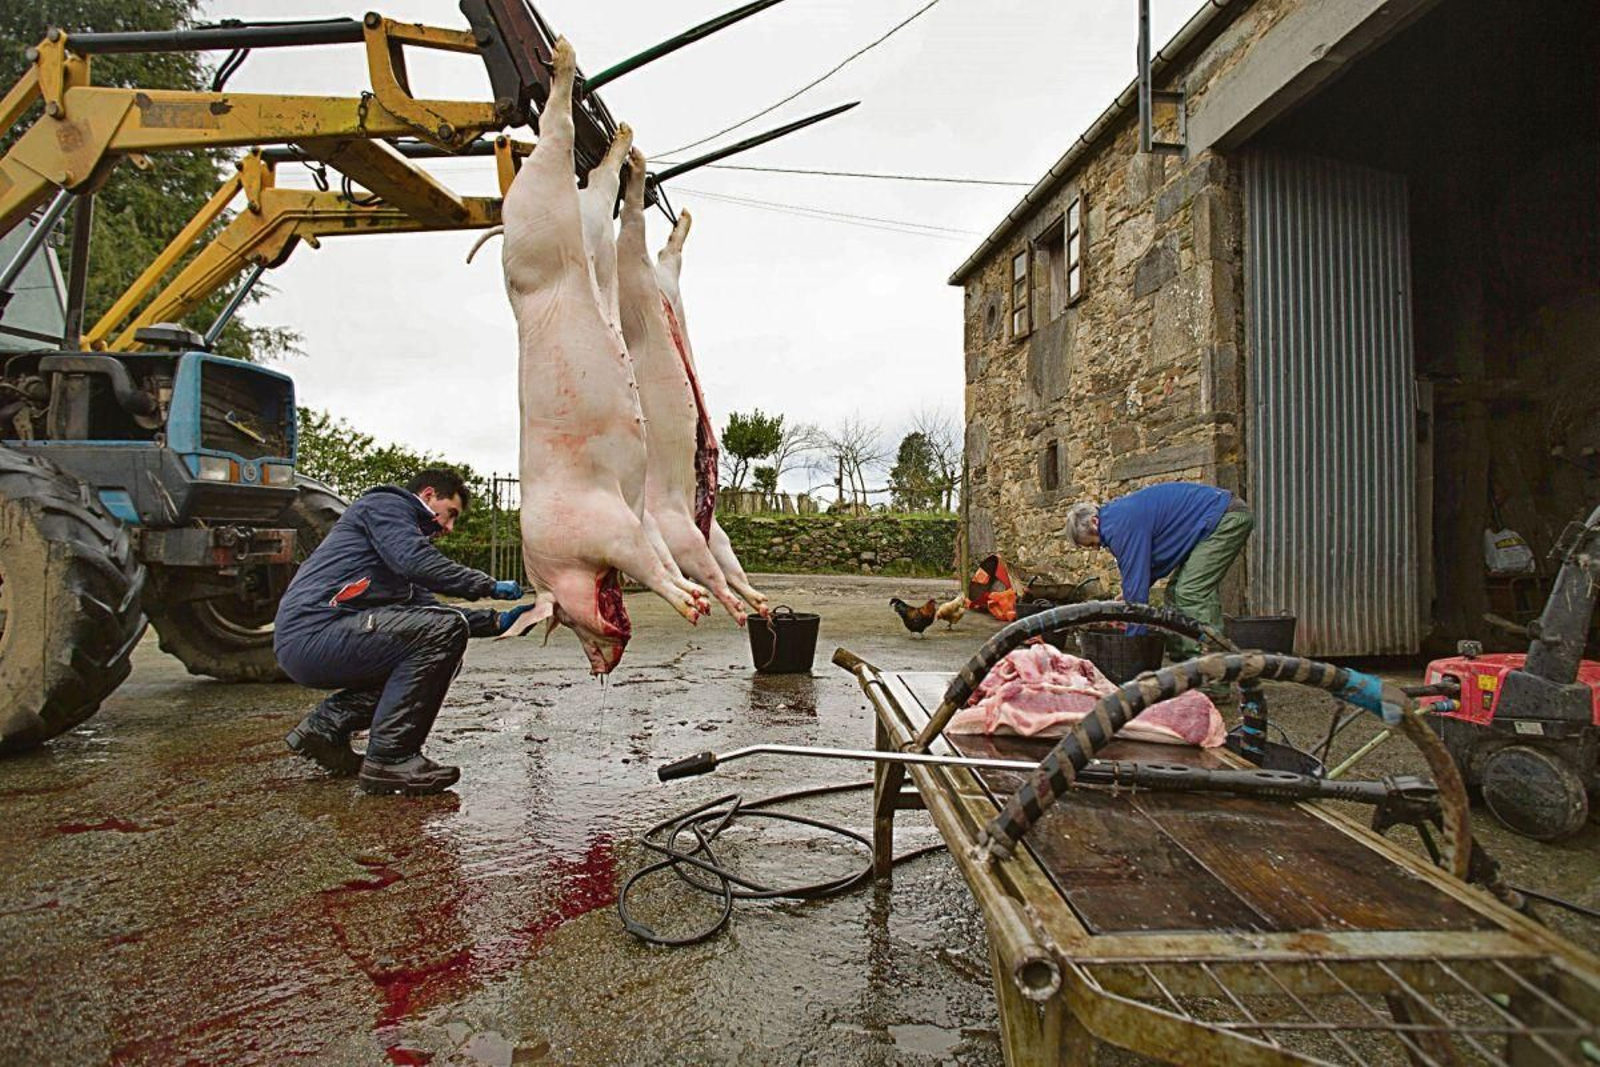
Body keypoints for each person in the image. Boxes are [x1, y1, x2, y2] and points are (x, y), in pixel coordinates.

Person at [274, 468, 533, 796]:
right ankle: (391, 759)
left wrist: (497, 621)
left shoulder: (395, 547)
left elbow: (432, 613)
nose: (449, 527)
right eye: (450, 514)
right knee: (442, 634)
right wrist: (488, 585)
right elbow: (417, 562)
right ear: (427, 496)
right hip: (313, 633)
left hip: (323, 638)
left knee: (443, 654)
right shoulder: (385, 505)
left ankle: (326, 727)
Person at [1063, 481, 1255, 659]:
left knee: (1191, 592)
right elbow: (1143, 568)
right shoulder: (1118, 518)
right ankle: (1183, 662)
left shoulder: (1118, 526)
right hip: (1211, 521)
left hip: (1224, 517)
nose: (1097, 548)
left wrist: (1132, 647)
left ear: (1095, 522)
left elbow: (1137, 599)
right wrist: (1129, 593)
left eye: (1092, 543)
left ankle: (1214, 671)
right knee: (1173, 593)